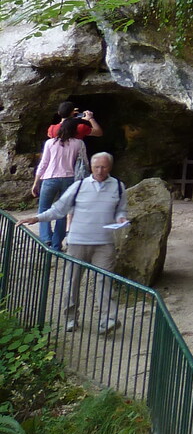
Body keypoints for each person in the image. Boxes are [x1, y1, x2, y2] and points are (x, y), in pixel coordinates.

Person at [20, 153, 130, 333]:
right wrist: (36, 218)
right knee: (72, 281)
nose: (100, 171)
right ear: (91, 168)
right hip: (78, 241)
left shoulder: (118, 186)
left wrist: (121, 218)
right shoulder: (79, 186)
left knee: (105, 281)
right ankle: (71, 318)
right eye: (96, 167)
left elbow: (121, 210)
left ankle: (108, 319)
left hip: (104, 243)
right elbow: (58, 209)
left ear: (110, 167)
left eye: (104, 167)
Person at [30, 120, 88, 251]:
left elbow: (43, 164)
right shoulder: (79, 143)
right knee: (62, 212)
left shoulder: (50, 143)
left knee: (44, 208)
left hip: (50, 178)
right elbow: (84, 163)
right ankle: (56, 245)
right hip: (69, 179)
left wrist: (36, 182)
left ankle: (46, 239)